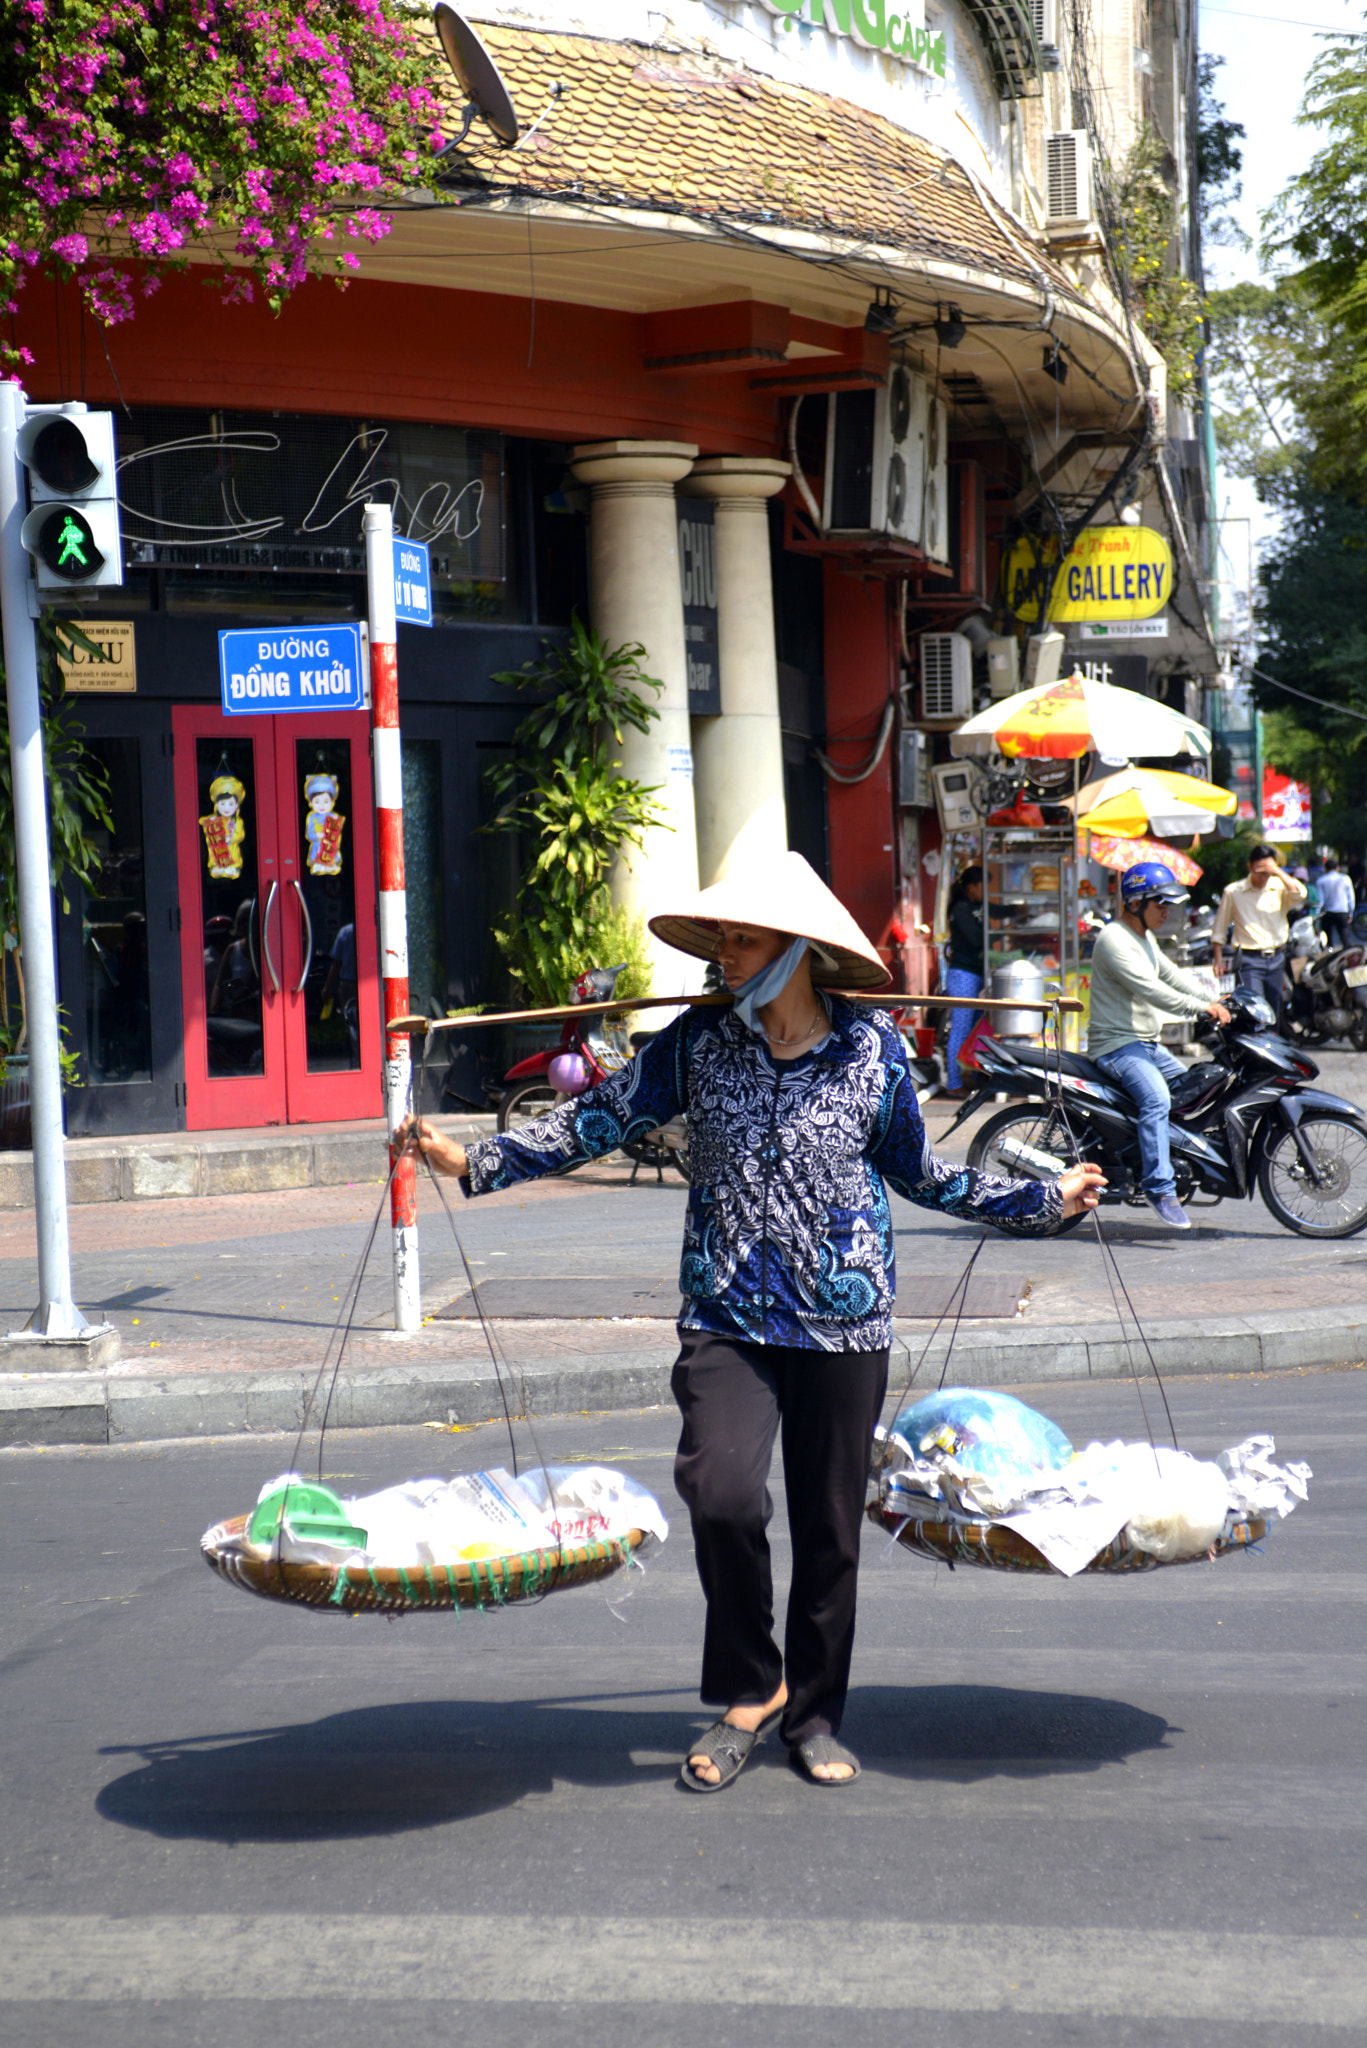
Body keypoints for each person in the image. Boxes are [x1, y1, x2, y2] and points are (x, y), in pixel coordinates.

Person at [402, 853, 1104, 1792]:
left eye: (742, 937)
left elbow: (925, 1176)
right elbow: (598, 1118)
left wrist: (1041, 1200)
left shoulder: (873, 1052)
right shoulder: (698, 1045)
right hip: (726, 1311)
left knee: (828, 1529)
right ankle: (752, 1684)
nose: (725, 956)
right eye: (721, 939)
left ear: (797, 950)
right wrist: (473, 1162)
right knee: (721, 1492)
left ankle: (814, 1713)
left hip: (842, 1319)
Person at [1088, 861, 1232, 1231]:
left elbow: (1173, 976)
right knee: (1157, 1100)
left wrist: (1219, 998)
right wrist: (1202, 1009)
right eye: (1161, 904)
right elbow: (1152, 991)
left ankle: (1160, 1155)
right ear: (1135, 903)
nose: (1167, 911)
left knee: (1193, 1091)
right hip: (1117, 1047)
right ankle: (1158, 1187)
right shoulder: (1114, 940)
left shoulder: (1144, 938)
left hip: (1146, 1044)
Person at [1212, 844, 1308, 1029]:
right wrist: (1218, 960)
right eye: (1260, 871)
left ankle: (1271, 1048)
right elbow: (1220, 929)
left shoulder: (1279, 887)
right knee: (1255, 1009)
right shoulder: (1234, 892)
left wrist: (1277, 871)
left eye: (1268, 872)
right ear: (1250, 867)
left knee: (1274, 1010)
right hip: (1249, 960)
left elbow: (1301, 894)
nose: (1264, 877)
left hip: (1276, 958)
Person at [942, 864, 1012, 1095]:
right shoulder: (960, 908)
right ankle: (953, 1084)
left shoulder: (978, 905)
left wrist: (1020, 911)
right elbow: (975, 939)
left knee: (976, 1031)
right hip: (963, 974)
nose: (986, 892)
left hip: (978, 972)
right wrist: (1006, 931)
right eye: (983, 886)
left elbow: (999, 911)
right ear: (971, 887)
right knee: (960, 1029)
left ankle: (973, 1077)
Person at [1318, 857, 1355, 952]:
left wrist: (1317, 914)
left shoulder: (1321, 881)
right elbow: (1351, 897)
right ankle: (1350, 957)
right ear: (1337, 868)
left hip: (1327, 913)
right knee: (1345, 937)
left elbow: (1320, 900)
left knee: (1327, 940)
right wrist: (1350, 912)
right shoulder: (1346, 879)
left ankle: (1329, 957)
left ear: (1326, 869)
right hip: (1342, 911)